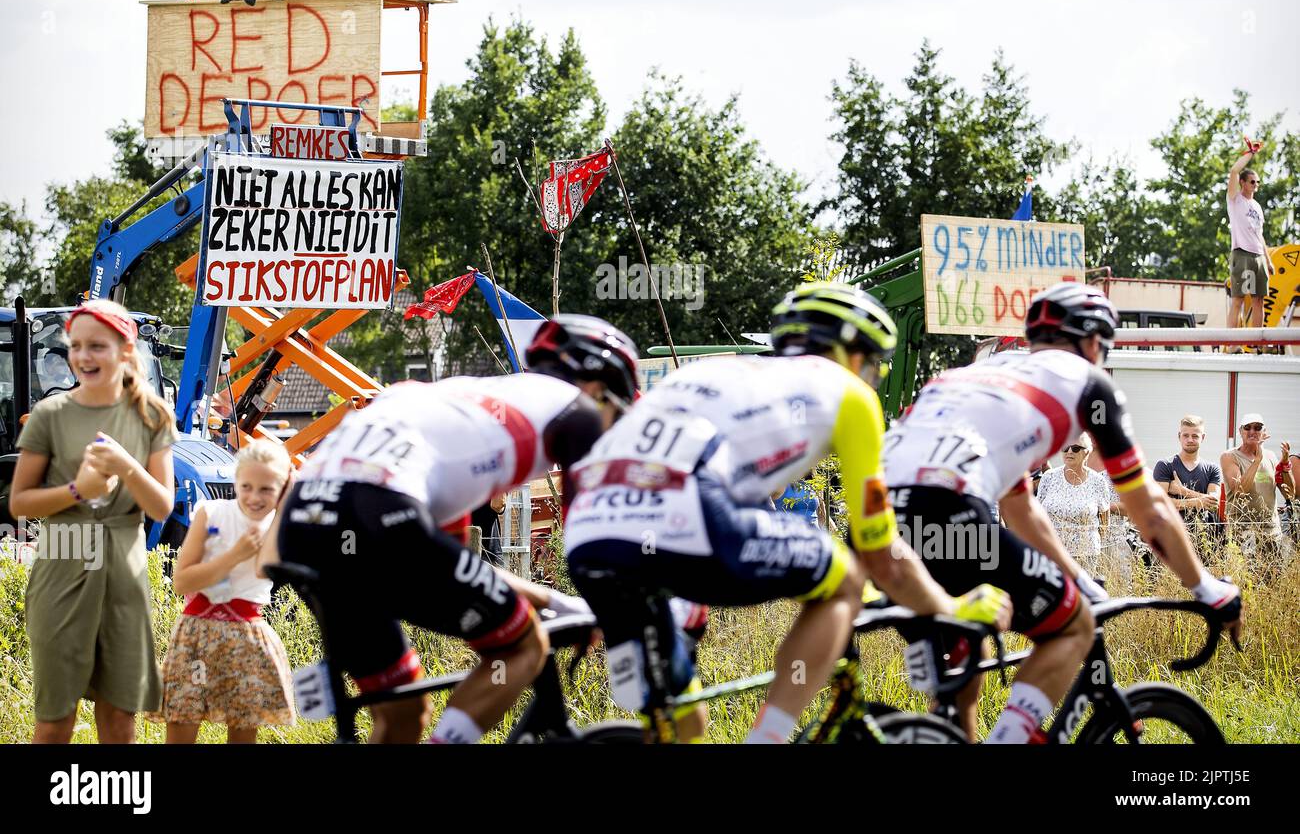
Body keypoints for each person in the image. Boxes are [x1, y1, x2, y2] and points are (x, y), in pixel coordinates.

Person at [564, 282, 1010, 745]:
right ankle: (770, 737)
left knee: (683, 726)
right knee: (847, 581)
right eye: (874, 364)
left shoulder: (721, 374)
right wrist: (949, 606)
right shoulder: (850, 395)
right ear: (851, 354)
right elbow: (879, 551)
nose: (872, 377)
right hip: (686, 519)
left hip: (588, 534)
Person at [882, 282, 1243, 743]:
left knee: (960, 676)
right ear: (1094, 344)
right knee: (1075, 625)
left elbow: (1021, 508)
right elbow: (1149, 508)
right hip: (949, 514)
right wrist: (1208, 587)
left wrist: (1078, 577)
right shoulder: (1085, 382)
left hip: (881, 526)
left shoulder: (977, 376)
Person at [260, 315, 636, 744]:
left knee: (403, 711)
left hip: (306, 521)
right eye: (617, 412)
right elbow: (595, 537)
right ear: (596, 388)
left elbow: (451, 561)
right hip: (380, 510)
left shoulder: (461, 403)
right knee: (522, 645)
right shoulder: (577, 409)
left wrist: (556, 602)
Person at [9, 300, 178, 744]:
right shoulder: (50, 415)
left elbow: (162, 506)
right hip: (62, 571)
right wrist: (76, 492)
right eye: (75, 346)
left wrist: (127, 466)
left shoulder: (152, 416)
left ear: (125, 351)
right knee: (54, 720)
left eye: (96, 346)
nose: (82, 357)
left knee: (121, 720)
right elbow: (20, 504)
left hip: (124, 576)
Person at [160, 439, 296, 743]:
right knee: (181, 727)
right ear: (236, 480)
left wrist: (284, 510)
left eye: (266, 489)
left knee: (243, 734)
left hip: (247, 637)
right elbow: (183, 581)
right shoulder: (211, 514)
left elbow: (265, 569)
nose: (254, 497)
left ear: (283, 488)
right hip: (195, 632)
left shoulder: (279, 525)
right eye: (246, 486)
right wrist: (234, 555)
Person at [1220, 413, 1295, 563]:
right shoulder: (1230, 457)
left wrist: (1285, 465)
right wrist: (1257, 460)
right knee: (1246, 582)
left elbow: (1290, 493)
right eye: (1247, 427)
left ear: (1264, 431)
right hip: (1243, 532)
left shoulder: (1271, 456)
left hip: (1271, 531)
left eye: (1257, 427)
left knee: (1273, 579)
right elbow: (1239, 491)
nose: (1252, 431)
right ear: (1240, 432)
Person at [1034, 435, 1112, 573]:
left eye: (1075, 448)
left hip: (1085, 555)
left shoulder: (1098, 481)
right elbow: (1038, 514)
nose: (1069, 452)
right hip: (1051, 551)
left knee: (1081, 593)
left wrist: (1092, 542)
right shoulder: (1048, 477)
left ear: (1086, 452)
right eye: (1065, 448)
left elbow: (1105, 520)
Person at [1152, 415, 1224, 558]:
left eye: (1195, 436)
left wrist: (1182, 491)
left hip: (1205, 538)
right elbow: (1160, 503)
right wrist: (1198, 501)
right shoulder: (1165, 465)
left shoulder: (1212, 469)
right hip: (1172, 535)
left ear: (1202, 437)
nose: (1190, 440)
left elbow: (1213, 503)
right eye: (1186, 435)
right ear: (1179, 436)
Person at [1226, 140, 1273, 337]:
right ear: (1243, 183)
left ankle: (1256, 345)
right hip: (1242, 254)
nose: (1256, 185)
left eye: (1258, 182)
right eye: (1252, 181)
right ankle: (1233, 344)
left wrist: (1268, 259)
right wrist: (1250, 154)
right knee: (1238, 300)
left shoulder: (1257, 206)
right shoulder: (1235, 199)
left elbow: (1259, 234)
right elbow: (1234, 171)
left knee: (1258, 300)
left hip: (1259, 256)